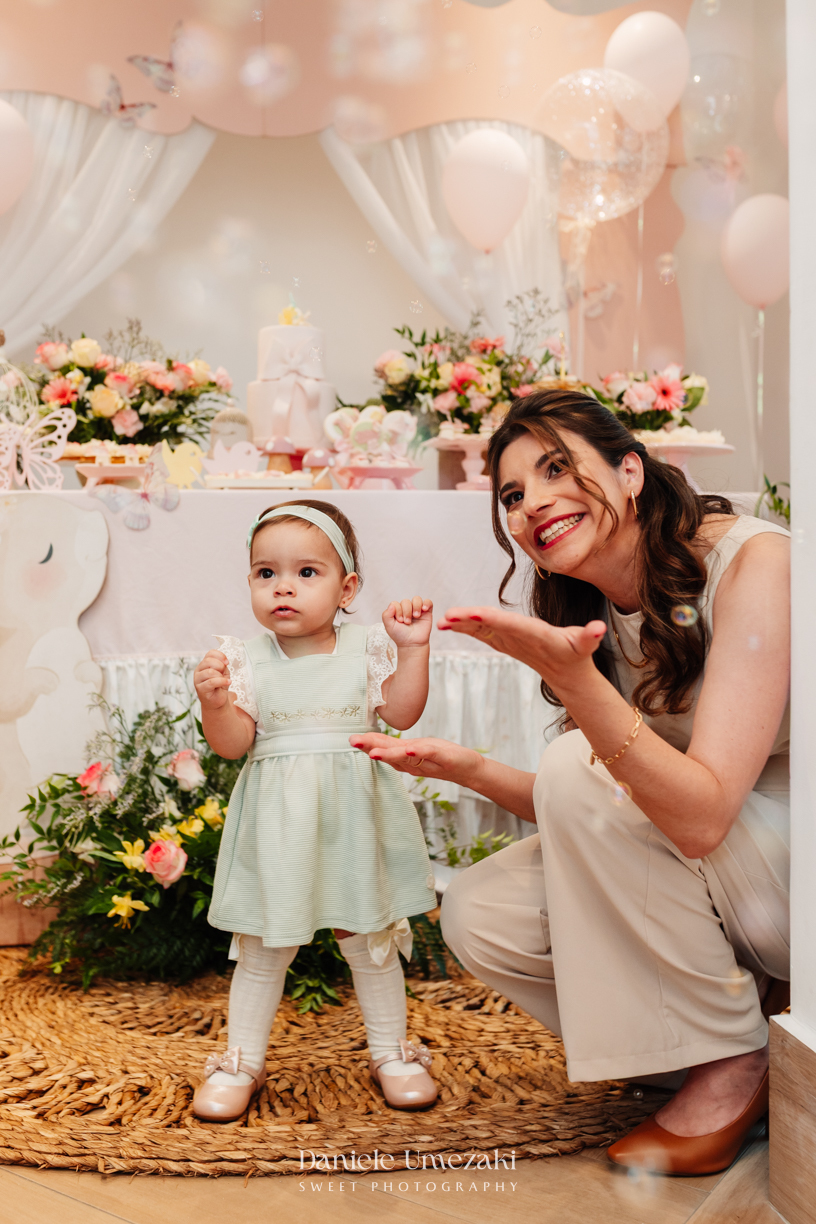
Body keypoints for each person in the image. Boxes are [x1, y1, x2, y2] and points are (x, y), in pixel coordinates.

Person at [352, 391, 790, 1175]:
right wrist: (471, 769)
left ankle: (733, 1068)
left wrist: (577, 681)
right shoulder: (597, 606)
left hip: (796, 878)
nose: (531, 505)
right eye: (513, 494)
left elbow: (698, 817)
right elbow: (603, 810)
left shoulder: (757, 565)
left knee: (576, 765)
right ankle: (730, 1030)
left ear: (631, 471)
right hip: (735, 866)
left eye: (556, 468)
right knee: (482, 913)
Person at [192, 500, 438, 1120]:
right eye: (265, 573)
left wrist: (413, 651)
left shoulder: (366, 648)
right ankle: (241, 1059)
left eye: (307, 573)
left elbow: (403, 715)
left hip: (356, 816)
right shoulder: (245, 659)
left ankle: (390, 1051)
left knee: (370, 933)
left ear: (346, 586)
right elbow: (233, 746)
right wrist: (217, 704)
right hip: (280, 823)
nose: (283, 588)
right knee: (264, 943)